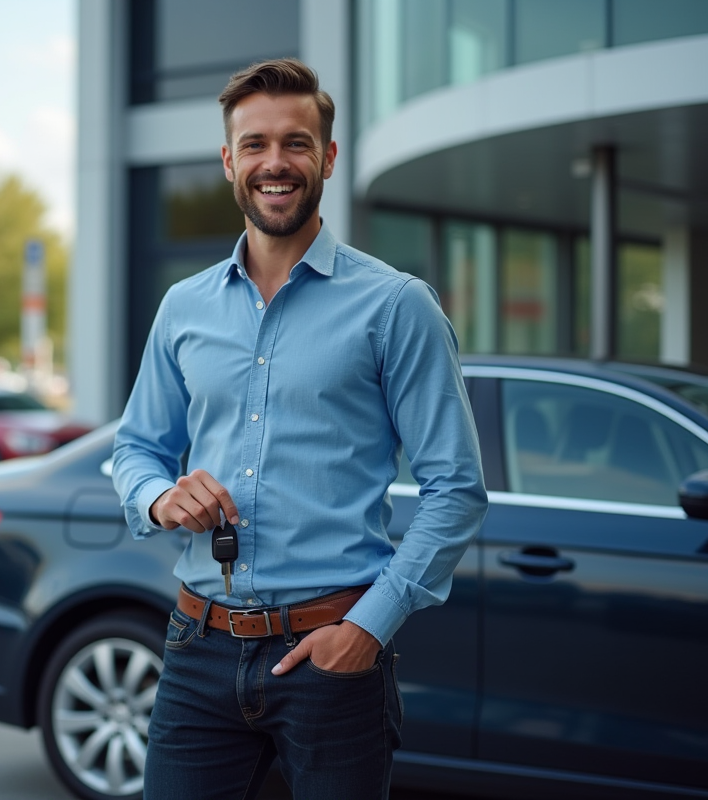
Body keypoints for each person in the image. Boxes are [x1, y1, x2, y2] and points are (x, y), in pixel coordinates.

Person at [112, 58, 488, 799]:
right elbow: (136, 448)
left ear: (329, 157)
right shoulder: (183, 307)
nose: (274, 162)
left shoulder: (396, 306)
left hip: (332, 655)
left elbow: (456, 489)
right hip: (197, 649)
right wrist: (159, 498)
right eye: (254, 144)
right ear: (229, 162)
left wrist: (369, 628)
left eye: (296, 143)